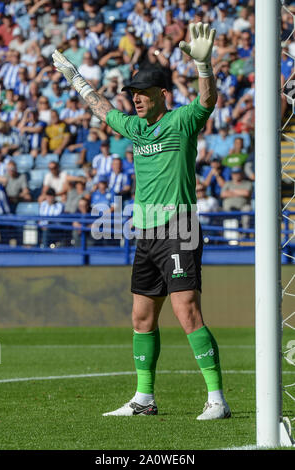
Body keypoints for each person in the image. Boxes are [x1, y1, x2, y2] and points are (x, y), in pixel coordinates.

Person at [53, 22, 231, 420]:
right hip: (146, 234)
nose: (133, 100)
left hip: (179, 228)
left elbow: (207, 101)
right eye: (131, 94)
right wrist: (75, 77)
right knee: (140, 317)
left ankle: (217, 399)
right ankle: (144, 400)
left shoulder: (182, 122)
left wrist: (204, 67)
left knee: (187, 311)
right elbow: (100, 107)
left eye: (141, 94)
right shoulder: (134, 128)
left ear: (161, 95)